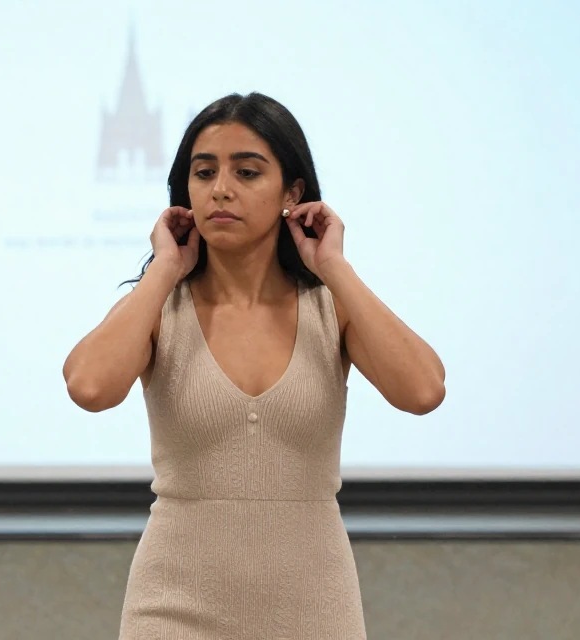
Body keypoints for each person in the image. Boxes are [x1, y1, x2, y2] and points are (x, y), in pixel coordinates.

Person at [63, 92, 445, 639]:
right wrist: (164, 269)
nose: (221, 188)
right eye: (204, 172)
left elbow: (424, 390)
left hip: (315, 609)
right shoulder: (160, 306)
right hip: (172, 609)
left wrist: (334, 267)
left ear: (293, 192)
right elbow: (89, 386)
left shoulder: (330, 306)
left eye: (246, 172)